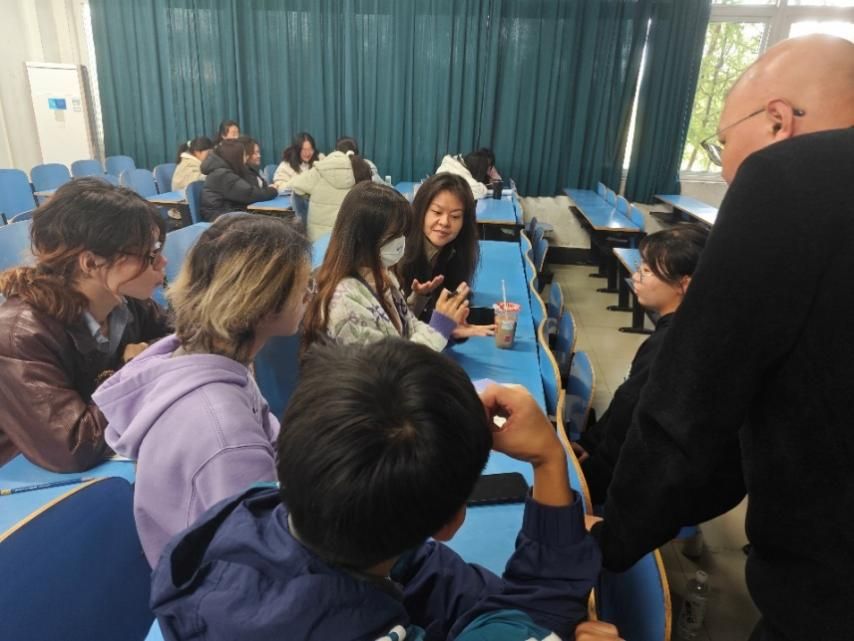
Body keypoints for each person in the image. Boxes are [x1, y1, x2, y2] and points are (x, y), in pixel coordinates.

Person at [590, 35, 854, 641]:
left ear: (778, 121)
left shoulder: (788, 178)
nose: (728, 169)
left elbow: (694, 399)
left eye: (722, 143)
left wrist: (611, 537)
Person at [150, 339, 601, 641]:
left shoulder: (253, 512)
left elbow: (448, 586)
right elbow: (541, 609)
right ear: (450, 523)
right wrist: (548, 458)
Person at [93, 214, 311, 566]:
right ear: (264, 303)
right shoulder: (225, 434)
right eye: (303, 286)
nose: (309, 295)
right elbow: (262, 559)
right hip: (230, 579)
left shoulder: (207, 361)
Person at [0, 179, 169, 471]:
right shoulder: (20, 334)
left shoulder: (126, 302)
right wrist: (137, 370)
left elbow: (185, 340)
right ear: (90, 263)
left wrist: (150, 359)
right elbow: (73, 445)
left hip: (106, 462)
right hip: (25, 477)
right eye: (150, 255)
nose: (163, 262)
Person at [572, 224, 709, 505]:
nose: (636, 276)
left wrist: (591, 469)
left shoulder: (670, 345)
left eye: (647, 271)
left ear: (684, 284)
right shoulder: (687, 328)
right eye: (640, 267)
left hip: (628, 483)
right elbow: (627, 399)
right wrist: (590, 442)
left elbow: (631, 416)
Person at [301, 182, 469, 352]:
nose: (401, 242)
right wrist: (438, 329)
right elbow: (391, 364)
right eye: (393, 235)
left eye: (403, 234)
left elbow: (406, 328)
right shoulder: (344, 303)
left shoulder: (382, 274)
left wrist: (444, 328)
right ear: (364, 237)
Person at [397, 172, 494, 338]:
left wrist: (451, 325)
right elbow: (397, 328)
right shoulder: (398, 255)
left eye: (455, 216)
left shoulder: (454, 251)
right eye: (437, 212)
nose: (444, 222)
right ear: (421, 211)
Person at [290, 136, 374, 240]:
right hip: (347, 240)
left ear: (335, 151)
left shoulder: (321, 169)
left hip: (317, 239)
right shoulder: (363, 169)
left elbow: (296, 186)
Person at [199, 139, 277, 221]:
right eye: (244, 155)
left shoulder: (225, 171)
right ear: (235, 157)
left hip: (229, 213)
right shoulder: (222, 175)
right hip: (220, 218)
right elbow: (250, 194)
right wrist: (272, 190)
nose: (245, 159)